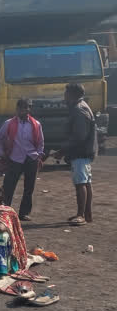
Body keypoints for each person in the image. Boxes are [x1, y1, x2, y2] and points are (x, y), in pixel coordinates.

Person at [54, 83, 97, 226]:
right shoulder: (82, 107)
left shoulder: (79, 110)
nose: (64, 96)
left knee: (80, 184)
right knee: (85, 183)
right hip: (84, 151)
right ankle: (87, 214)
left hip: (80, 152)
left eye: (66, 94)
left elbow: (79, 136)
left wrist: (62, 150)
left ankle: (81, 215)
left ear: (72, 94)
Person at [0, 99, 44, 221]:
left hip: (31, 158)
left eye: (27, 108)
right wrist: (2, 154)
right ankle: (4, 211)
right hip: (14, 158)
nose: (24, 110)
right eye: (22, 108)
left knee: (29, 187)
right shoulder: (9, 123)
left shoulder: (36, 124)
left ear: (29, 109)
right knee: (8, 187)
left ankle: (24, 213)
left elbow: (41, 142)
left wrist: (38, 155)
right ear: (17, 109)